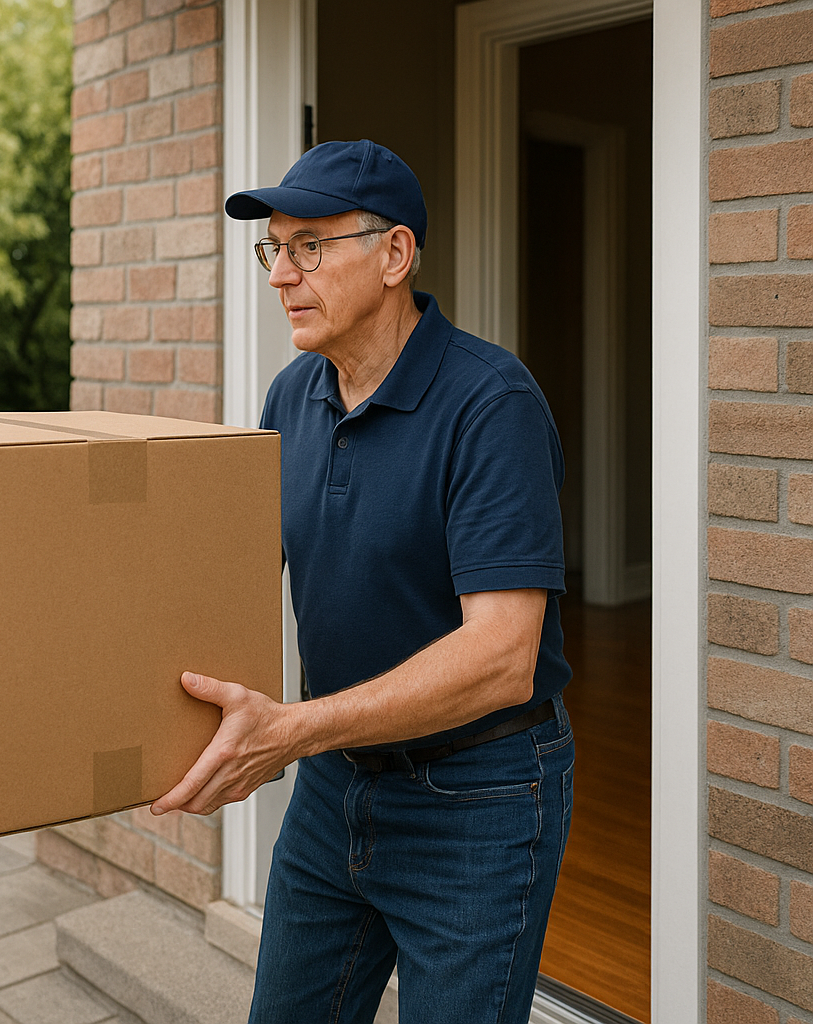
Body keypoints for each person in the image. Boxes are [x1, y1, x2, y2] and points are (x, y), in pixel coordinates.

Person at [151, 139, 574, 1023]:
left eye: (311, 246)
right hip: (335, 783)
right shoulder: (291, 395)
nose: (281, 275)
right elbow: (226, 578)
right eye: (275, 248)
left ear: (394, 255)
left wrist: (294, 729)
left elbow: (504, 657)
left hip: (481, 797)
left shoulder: (492, 404)